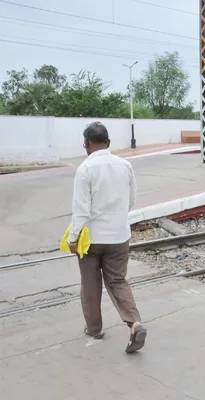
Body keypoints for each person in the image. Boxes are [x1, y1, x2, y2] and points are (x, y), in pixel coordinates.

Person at [67, 122, 147, 353]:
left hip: (91, 239)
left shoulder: (85, 169)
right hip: (119, 236)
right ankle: (135, 322)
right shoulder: (125, 165)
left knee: (90, 284)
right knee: (117, 280)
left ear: (86, 144)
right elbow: (131, 201)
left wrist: (73, 238)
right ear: (108, 143)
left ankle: (94, 328)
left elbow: (81, 210)